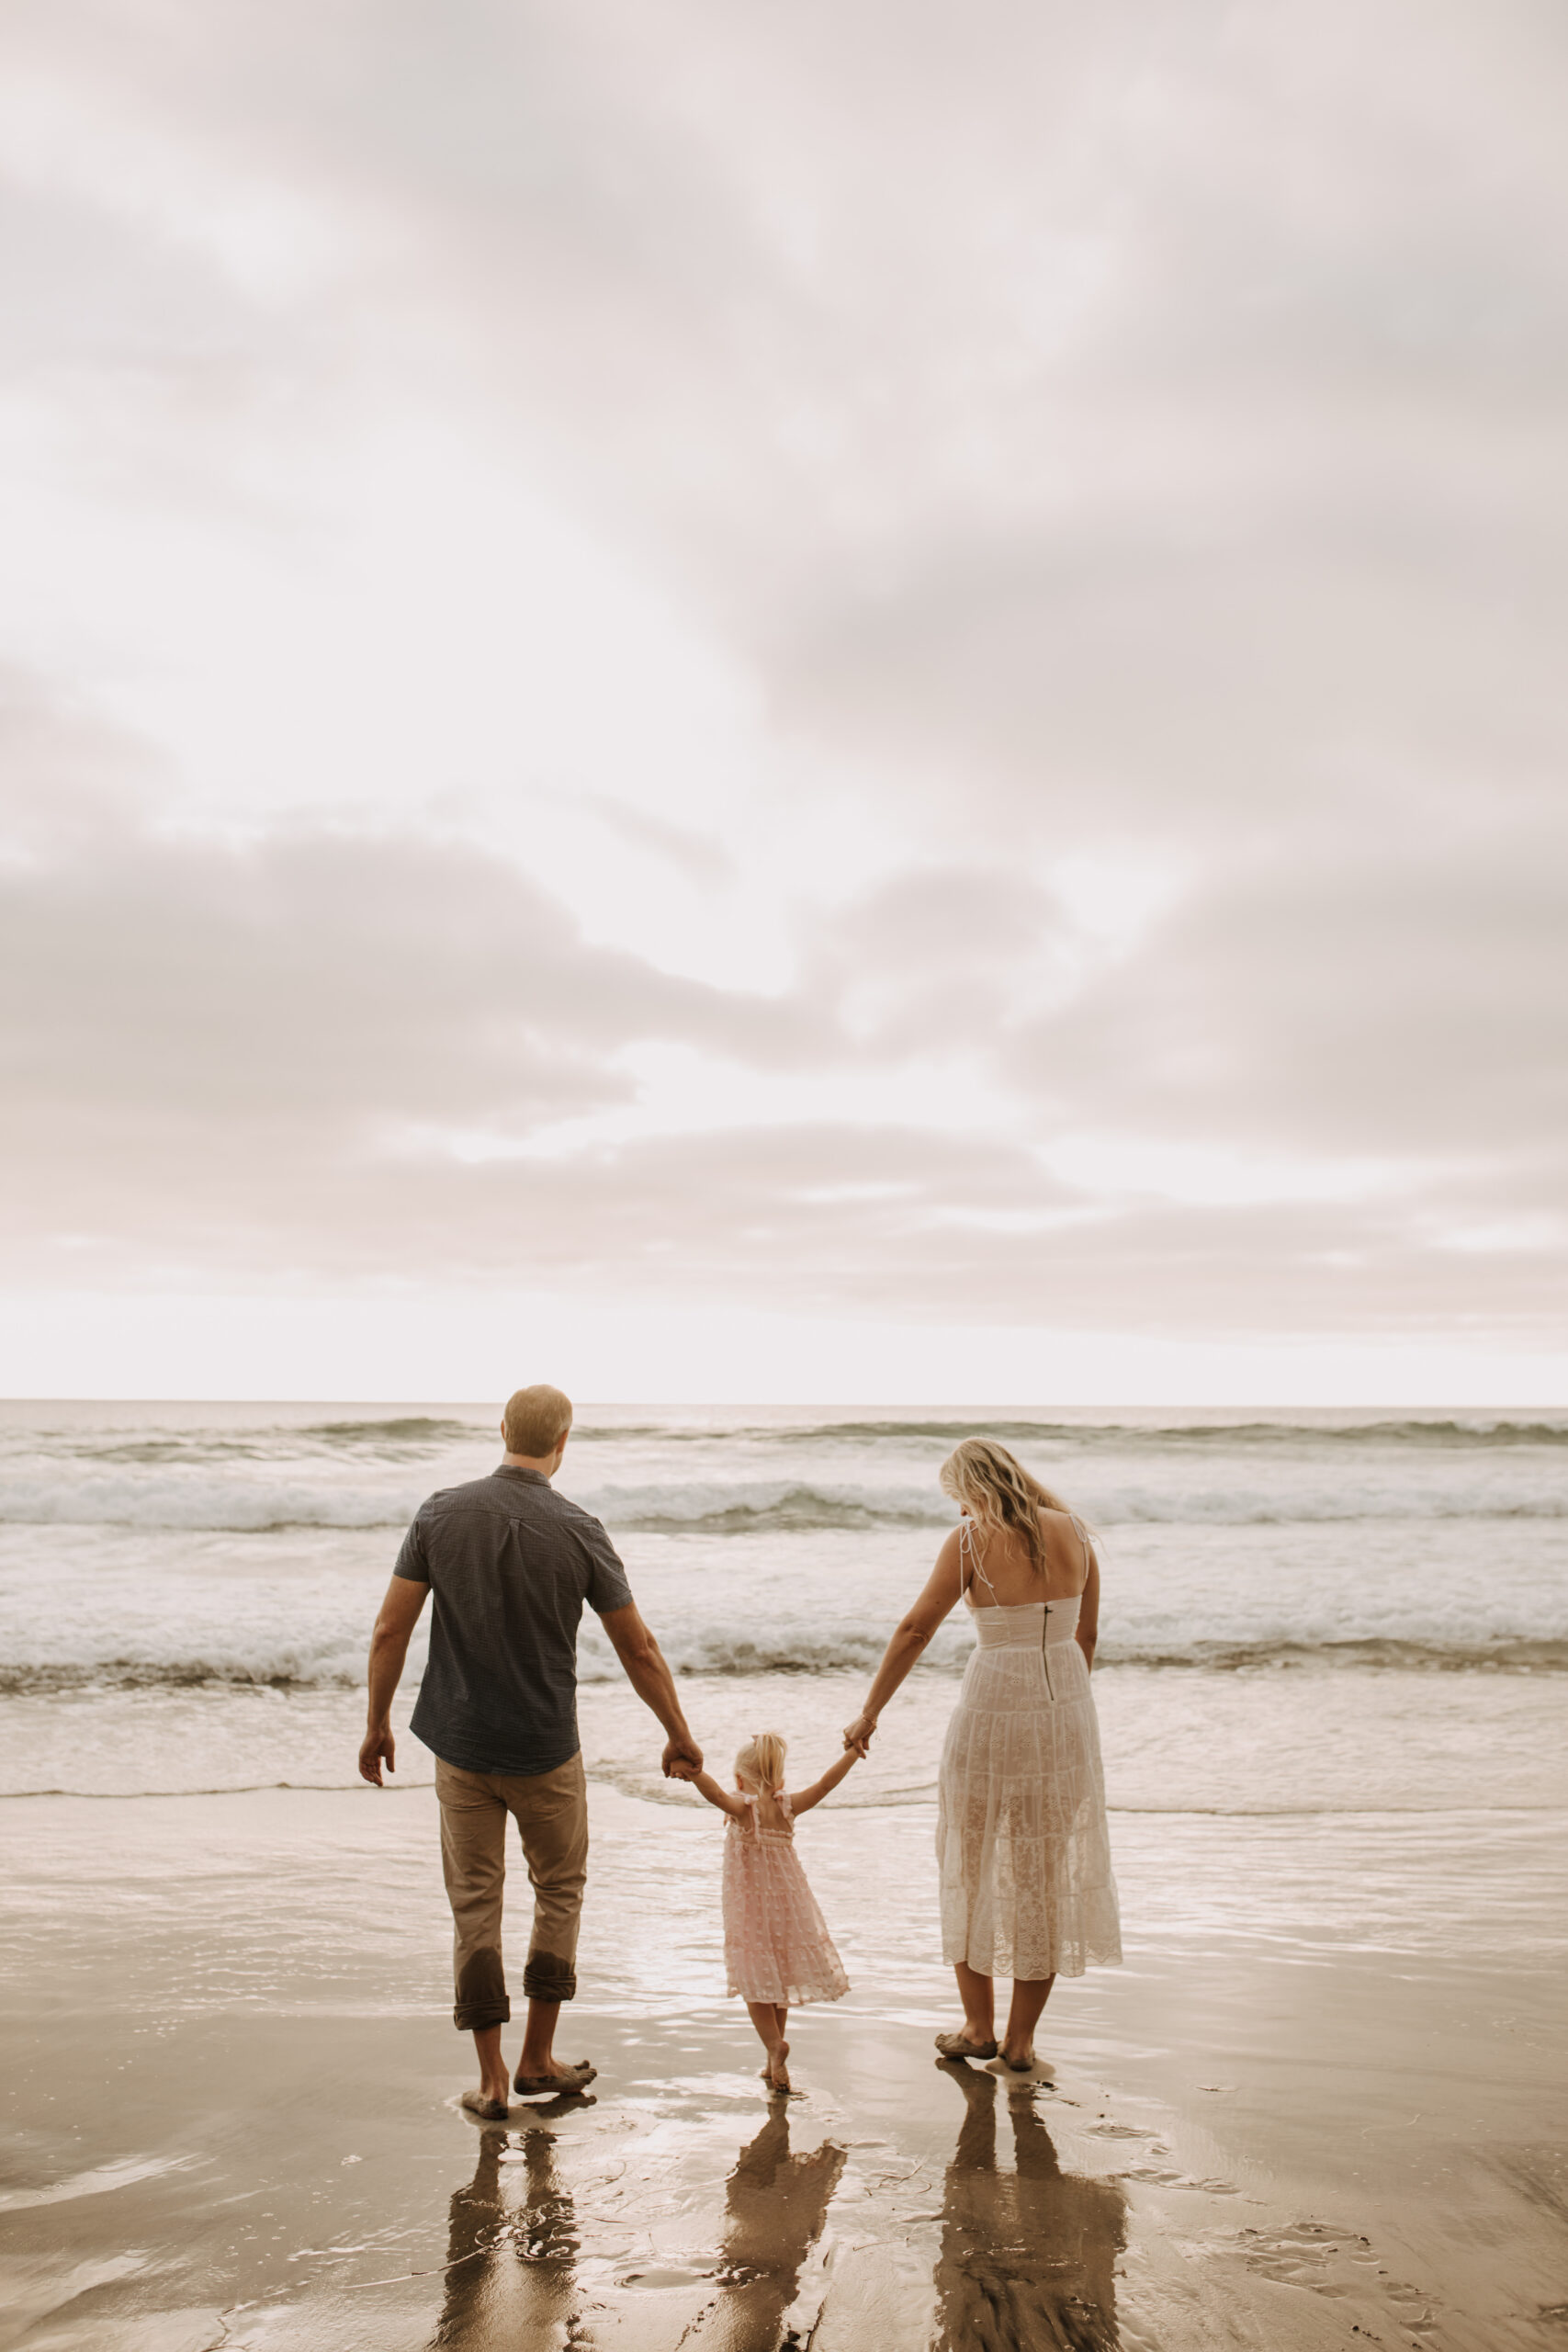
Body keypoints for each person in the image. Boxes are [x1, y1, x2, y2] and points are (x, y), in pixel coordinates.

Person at [357, 1383, 704, 2118]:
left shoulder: (439, 1512)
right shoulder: (579, 1528)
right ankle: (538, 2059)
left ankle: (488, 2081)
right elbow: (636, 1646)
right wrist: (675, 1730)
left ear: (503, 1429)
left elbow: (390, 1631)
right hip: (545, 1746)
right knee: (559, 1891)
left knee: (475, 1901)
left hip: (460, 1743)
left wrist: (377, 1721)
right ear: (563, 1441)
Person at [841, 1439, 1121, 2071]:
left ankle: (976, 2028)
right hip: (1067, 1711)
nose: (962, 1511)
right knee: (1041, 1873)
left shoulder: (968, 1542)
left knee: (969, 1857)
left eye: (960, 1498)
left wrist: (870, 1711)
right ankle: (1020, 2043)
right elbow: (1088, 1635)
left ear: (971, 1488)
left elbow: (916, 1628)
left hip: (993, 1707)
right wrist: (1065, 1705)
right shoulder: (1076, 1531)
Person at [676, 1730, 856, 2094]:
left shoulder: (744, 1808)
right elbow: (824, 1785)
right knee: (780, 1979)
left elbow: (714, 1795)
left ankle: (774, 2047)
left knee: (755, 1980)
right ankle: (774, 2060)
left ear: (740, 1780)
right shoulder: (787, 1805)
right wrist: (852, 1754)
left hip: (751, 1908)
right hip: (789, 1906)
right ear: (780, 1778)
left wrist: (695, 1773)